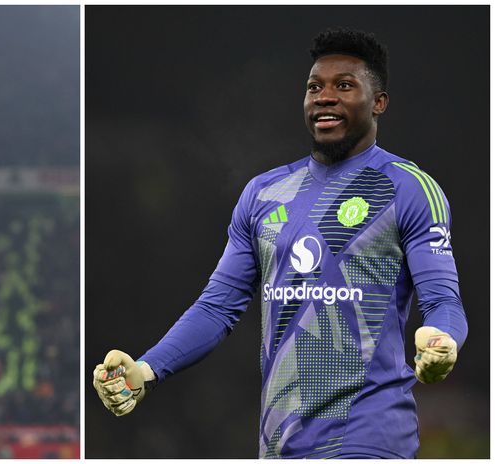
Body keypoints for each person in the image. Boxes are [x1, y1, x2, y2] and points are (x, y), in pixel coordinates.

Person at [93, 27, 468, 459]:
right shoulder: (264, 193)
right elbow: (218, 305)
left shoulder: (408, 188)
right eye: (314, 87)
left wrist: (443, 341)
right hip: (279, 445)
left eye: (344, 86)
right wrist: (147, 369)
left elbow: (444, 300)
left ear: (379, 102)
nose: (324, 97)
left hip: (368, 439)